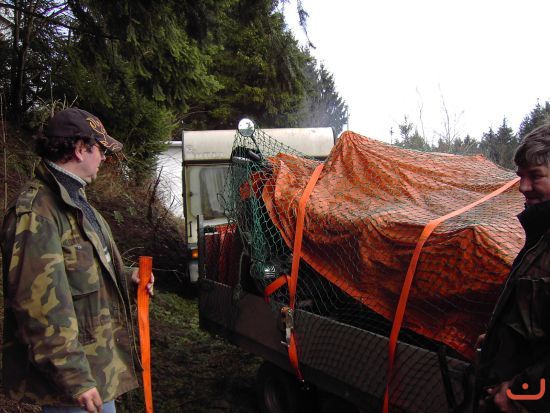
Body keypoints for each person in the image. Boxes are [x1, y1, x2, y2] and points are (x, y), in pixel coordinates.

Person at [1, 108, 154, 413]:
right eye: (101, 149)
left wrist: (128, 276)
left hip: (95, 367)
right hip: (73, 385)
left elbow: (81, 267)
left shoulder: (75, 201)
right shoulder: (36, 214)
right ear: (80, 149)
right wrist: (75, 378)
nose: (104, 158)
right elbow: (40, 308)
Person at [475, 122, 550, 413]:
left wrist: (520, 393)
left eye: (536, 176)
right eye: (521, 176)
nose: (523, 187)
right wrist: (497, 338)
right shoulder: (539, 235)